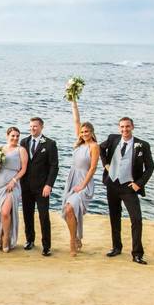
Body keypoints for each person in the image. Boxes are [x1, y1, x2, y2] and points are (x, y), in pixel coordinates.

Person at [99, 117, 154, 265]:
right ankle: (116, 247)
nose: (125, 129)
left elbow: (150, 167)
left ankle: (137, 253)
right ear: (119, 128)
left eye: (127, 127)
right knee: (114, 217)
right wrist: (106, 165)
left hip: (129, 187)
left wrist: (139, 184)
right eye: (122, 127)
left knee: (136, 219)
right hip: (112, 184)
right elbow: (100, 148)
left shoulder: (142, 145)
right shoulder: (113, 139)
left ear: (132, 127)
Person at [59, 100, 100, 257]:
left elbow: (93, 168)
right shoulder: (79, 143)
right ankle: (75, 237)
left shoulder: (94, 146)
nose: (84, 134)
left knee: (70, 208)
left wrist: (83, 185)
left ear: (92, 132)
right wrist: (73, 101)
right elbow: (76, 120)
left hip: (84, 181)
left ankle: (72, 242)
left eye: (87, 132)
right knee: (69, 211)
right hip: (72, 178)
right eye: (82, 132)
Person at [20, 117, 59, 256]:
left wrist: (49, 185)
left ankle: (46, 245)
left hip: (42, 187)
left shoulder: (50, 144)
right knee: (27, 214)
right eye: (30, 126)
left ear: (41, 127)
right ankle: (29, 240)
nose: (32, 128)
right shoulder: (24, 142)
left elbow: (54, 167)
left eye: (35, 126)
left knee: (43, 216)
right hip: (26, 187)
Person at [0, 127, 28, 252]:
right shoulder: (0, 149)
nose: (15, 138)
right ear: (7, 135)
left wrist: (14, 181)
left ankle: (6, 237)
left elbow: (23, 169)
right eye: (13, 135)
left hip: (12, 184)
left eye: (17, 136)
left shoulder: (21, 150)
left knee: (5, 212)